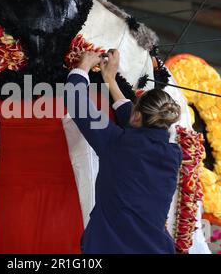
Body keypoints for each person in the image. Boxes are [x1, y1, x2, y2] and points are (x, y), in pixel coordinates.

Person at [65, 49, 182, 254]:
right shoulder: (173, 154)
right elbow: (140, 126)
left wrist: (82, 67)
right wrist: (110, 80)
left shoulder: (117, 142)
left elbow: (76, 101)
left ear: (136, 117)